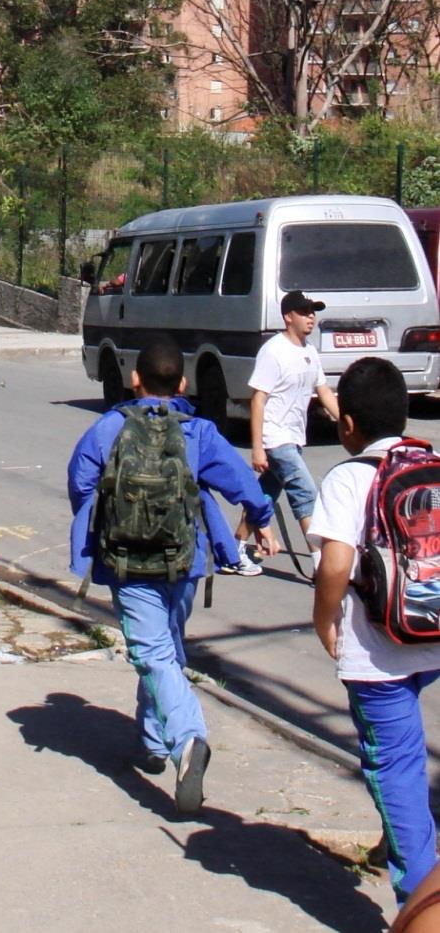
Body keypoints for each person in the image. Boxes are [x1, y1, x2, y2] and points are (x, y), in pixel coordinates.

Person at [68, 334, 278, 813]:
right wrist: (261, 520)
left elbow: (81, 486)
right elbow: (241, 481)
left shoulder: (107, 429)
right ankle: (154, 742)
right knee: (164, 648)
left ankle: (186, 740)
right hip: (185, 559)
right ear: (182, 382)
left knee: (154, 652)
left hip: (127, 561)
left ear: (134, 380)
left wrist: (111, 522)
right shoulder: (198, 431)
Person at [310, 356, 440, 908]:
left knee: (397, 768)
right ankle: (407, 845)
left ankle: (421, 900)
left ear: (347, 425)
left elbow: (335, 563)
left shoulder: (348, 477)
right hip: (432, 627)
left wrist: (325, 620)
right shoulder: (430, 462)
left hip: (378, 651)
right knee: (406, 765)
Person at [230, 289, 339, 576]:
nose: (311, 317)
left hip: (294, 436)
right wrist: (257, 447)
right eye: (304, 312)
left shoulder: (309, 351)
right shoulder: (274, 351)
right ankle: (321, 564)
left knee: (264, 495)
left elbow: (323, 390)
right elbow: (258, 399)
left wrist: (346, 420)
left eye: (313, 311)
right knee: (305, 494)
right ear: (288, 316)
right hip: (276, 438)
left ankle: (236, 548)